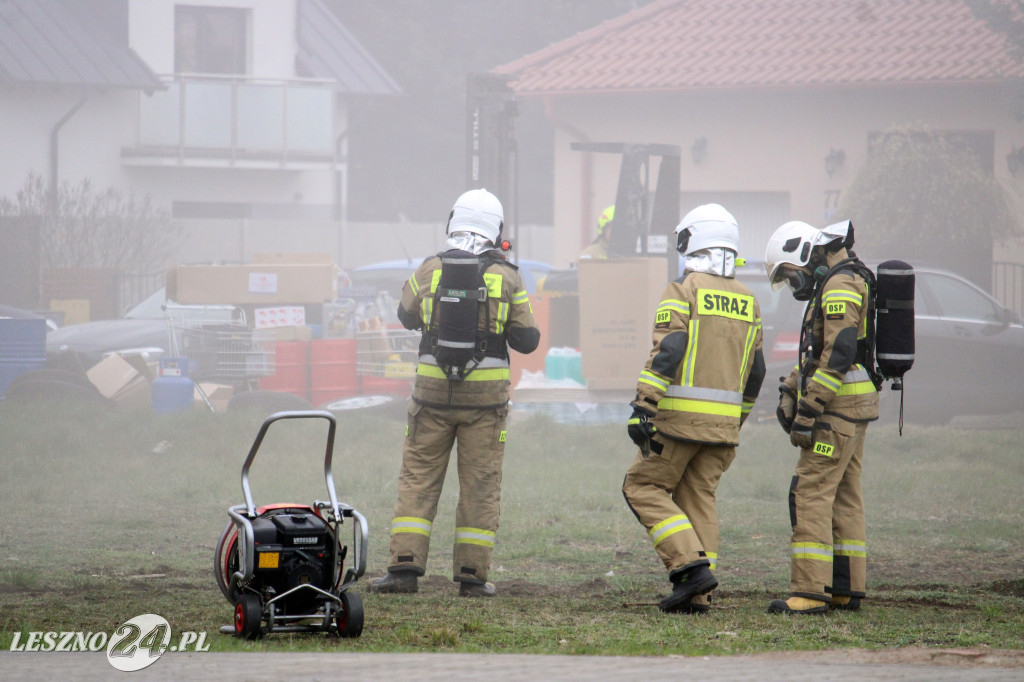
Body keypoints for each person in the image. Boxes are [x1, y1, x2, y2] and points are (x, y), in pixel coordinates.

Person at [370, 188, 540, 598]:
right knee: (480, 485)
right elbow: (528, 339)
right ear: (496, 230)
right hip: (486, 405)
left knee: (418, 480)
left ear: (453, 223)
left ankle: (404, 571)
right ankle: (471, 577)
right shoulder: (509, 276)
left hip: (430, 398)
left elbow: (404, 314)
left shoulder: (430, 269)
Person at [622, 203, 765, 613]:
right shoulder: (749, 301)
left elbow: (669, 349)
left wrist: (643, 406)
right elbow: (756, 373)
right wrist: (734, 419)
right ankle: (698, 594)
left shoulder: (683, 290)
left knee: (642, 487)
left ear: (693, 242)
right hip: (723, 432)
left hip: (678, 424)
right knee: (699, 498)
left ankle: (689, 569)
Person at [763, 219, 878, 615]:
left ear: (805, 254)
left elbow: (840, 352)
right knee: (844, 495)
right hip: (854, 405)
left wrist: (808, 409)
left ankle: (810, 592)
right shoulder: (845, 279)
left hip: (838, 408)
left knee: (809, 491)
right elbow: (824, 352)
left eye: (791, 276)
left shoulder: (840, 285)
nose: (796, 286)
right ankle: (846, 589)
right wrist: (791, 385)